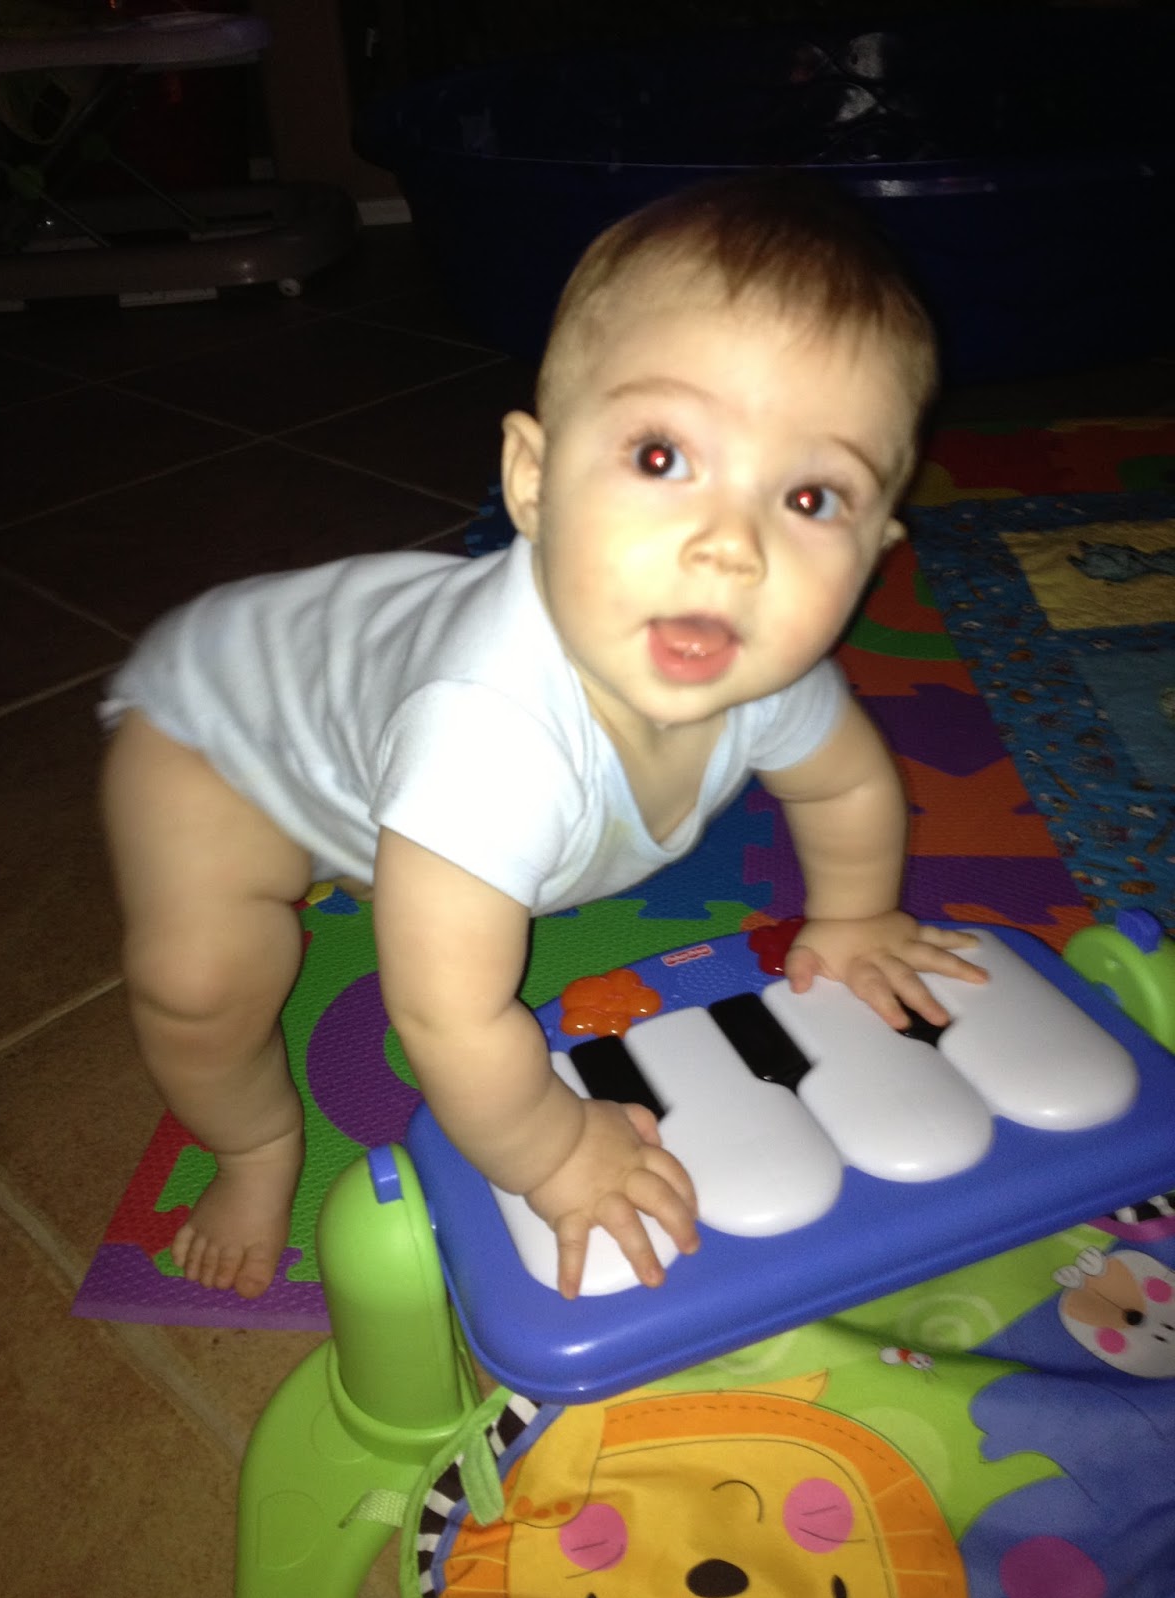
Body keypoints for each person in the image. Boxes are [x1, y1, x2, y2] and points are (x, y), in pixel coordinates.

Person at [99, 171, 987, 1304]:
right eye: (663, 458)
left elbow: (845, 787)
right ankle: (254, 1145)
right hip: (223, 737)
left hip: (367, 718)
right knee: (198, 982)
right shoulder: (489, 737)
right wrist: (555, 1149)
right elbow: (447, 1015)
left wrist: (856, 916)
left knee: (440, 869)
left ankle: (395, 842)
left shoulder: (762, 665)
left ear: (874, 554)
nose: (730, 547)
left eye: (812, 499)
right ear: (532, 481)